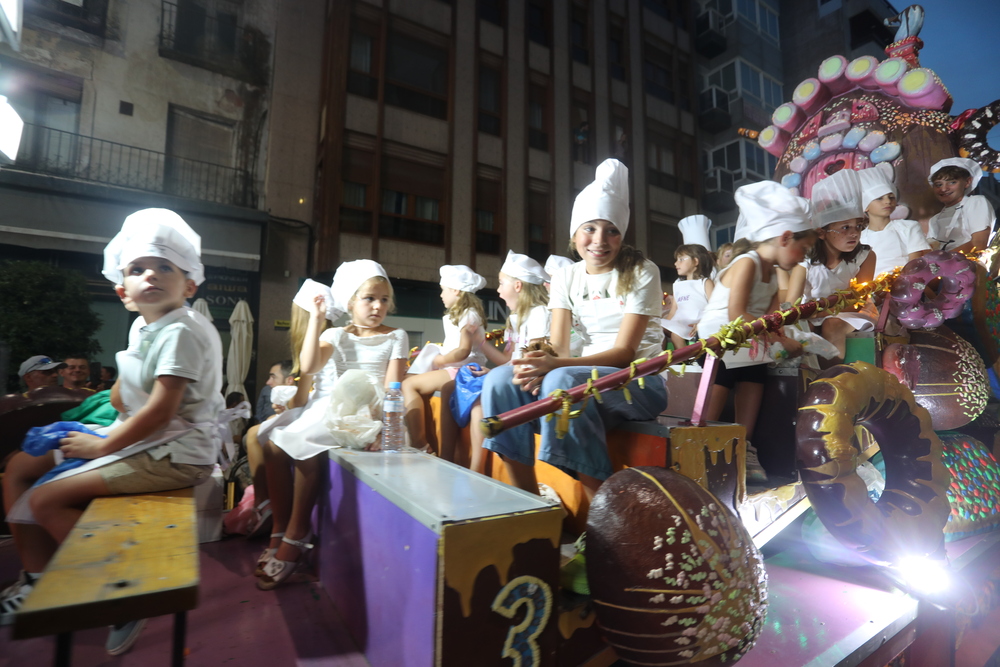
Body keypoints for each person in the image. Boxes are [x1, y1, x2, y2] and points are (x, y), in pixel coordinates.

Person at [1, 208, 227, 654]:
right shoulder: (146, 327)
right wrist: (129, 363)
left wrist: (100, 443)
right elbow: (125, 402)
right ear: (123, 291)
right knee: (19, 467)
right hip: (145, 439)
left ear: (189, 285)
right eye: (139, 268)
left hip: (177, 453)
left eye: (166, 267)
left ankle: (122, 589)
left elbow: (160, 413)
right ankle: (37, 576)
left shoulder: (181, 330)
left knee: (45, 498)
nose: (153, 275)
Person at [481, 158, 668, 501]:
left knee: (561, 382)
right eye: (590, 229)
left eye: (612, 230)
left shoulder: (644, 271)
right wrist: (538, 358)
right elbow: (561, 347)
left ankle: (604, 519)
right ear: (574, 233)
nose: (600, 240)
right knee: (498, 379)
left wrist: (552, 367)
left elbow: (626, 354)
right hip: (581, 374)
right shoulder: (567, 275)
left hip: (640, 381)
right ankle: (528, 501)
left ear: (622, 235)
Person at [256, 260, 407, 590]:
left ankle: (295, 535)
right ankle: (280, 527)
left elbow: (394, 387)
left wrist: (386, 428)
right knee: (272, 445)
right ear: (350, 301)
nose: (378, 306)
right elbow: (308, 365)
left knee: (305, 447)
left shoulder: (397, 335)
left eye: (383, 299)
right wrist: (316, 320)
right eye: (369, 298)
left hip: (369, 411)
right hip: (332, 406)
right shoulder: (335, 334)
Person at [697, 181, 816, 485]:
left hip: (750, 336)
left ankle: (742, 444)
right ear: (785, 237)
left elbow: (773, 318)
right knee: (727, 372)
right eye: (803, 249)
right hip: (721, 335)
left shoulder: (774, 271)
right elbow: (735, 313)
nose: (803, 257)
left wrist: (787, 339)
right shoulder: (747, 262)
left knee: (757, 373)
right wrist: (777, 339)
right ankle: (704, 445)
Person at [467, 251, 551, 474]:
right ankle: (483, 465)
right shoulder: (515, 319)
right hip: (516, 377)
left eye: (501, 283)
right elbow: (509, 360)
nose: (498, 290)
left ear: (518, 286)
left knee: (482, 397)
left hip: (530, 385)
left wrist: (497, 373)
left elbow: (532, 360)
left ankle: (482, 466)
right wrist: (481, 344)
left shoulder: (541, 314)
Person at [787, 168, 877, 362]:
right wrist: (805, 317)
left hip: (849, 312)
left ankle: (835, 380)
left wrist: (823, 312)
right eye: (845, 227)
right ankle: (808, 379)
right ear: (821, 232)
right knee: (803, 329)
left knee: (831, 325)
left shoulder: (865, 256)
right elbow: (791, 302)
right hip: (809, 312)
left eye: (858, 227)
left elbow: (858, 301)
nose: (854, 233)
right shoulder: (804, 259)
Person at [402, 265, 487, 458]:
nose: (441, 295)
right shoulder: (464, 314)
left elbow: (463, 351)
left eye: (443, 289)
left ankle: (419, 443)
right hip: (457, 368)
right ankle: (427, 442)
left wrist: (440, 359)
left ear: (456, 290)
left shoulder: (468, 315)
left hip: (461, 370)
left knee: (408, 385)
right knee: (415, 384)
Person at [241, 360, 295, 537]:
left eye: (273, 377)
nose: (268, 382)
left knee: (254, 434)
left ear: (289, 380)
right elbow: (264, 415)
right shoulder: (271, 393)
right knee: (253, 433)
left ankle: (262, 503)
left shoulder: (299, 392)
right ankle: (262, 501)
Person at [859, 163, 930, 275]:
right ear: (865, 206)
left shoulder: (908, 227)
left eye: (891, 197)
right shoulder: (860, 238)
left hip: (905, 284)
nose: (887, 201)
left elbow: (915, 263)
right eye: (879, 198)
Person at [926, 157, 995, 255]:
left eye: (952, 182)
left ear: (967, 182)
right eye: (938, 184)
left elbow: (979, 243)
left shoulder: (975, 202)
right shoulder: (935, 219)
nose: (944, 189)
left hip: (970, 265)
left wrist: (942, 262)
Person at [661, 244, 715, 350]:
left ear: (696, 261)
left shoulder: (705, 283)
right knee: (656, 329)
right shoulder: (677, 285)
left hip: (696, 321)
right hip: (679, 321)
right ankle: (658, 358)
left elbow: (714, 306)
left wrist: (702, 322)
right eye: (676, 260)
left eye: (681, 259)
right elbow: (673, 311)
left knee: (676, 334)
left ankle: (686, 360)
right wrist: (665, 324)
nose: (676, 263)